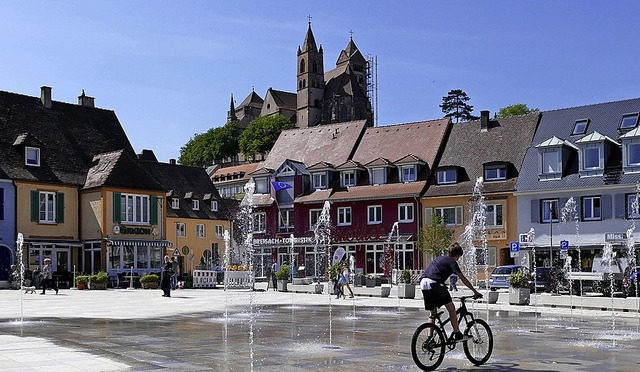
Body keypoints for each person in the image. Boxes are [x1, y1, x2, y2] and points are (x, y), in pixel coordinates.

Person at [420, 243, 481, 341]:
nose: (458, 259)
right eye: (459, 257)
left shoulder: (438, 258)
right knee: (451, 309)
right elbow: (462, 278)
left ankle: (429, 340)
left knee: (433, 313)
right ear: (457, 255)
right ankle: (457, 334)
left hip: (423, 283)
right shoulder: (452, 262)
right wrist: (475, 291)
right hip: (435, 283)